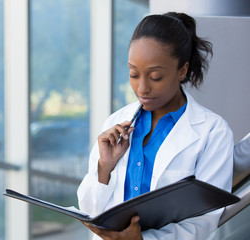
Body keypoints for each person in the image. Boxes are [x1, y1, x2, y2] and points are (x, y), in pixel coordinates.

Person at [77, 12, 234, 240]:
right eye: (133, 74)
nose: (142, 88)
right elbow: (90, 210)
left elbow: (204, 221)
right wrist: (104, 168)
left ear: (182, 70)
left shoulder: (213, 133)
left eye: (156, 77)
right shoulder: (115, 122)